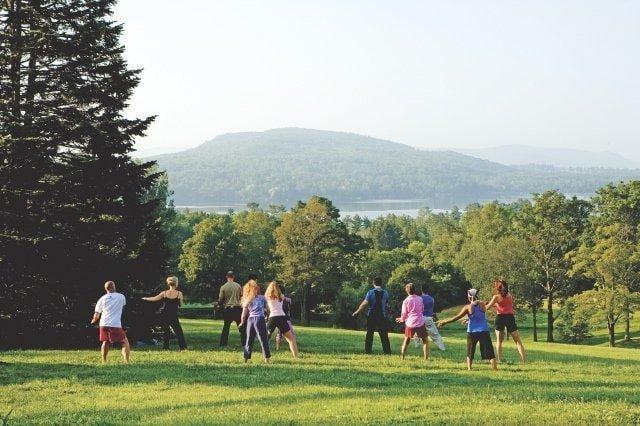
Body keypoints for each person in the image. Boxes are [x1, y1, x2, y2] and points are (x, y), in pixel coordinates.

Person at [437, 289, 497, 371]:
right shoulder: (482, 304)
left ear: (469, 297)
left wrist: (445, 322)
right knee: (489, 351)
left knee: (470, 350)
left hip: (472, 332)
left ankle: (469, 368)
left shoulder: (467, 307)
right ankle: (495, 368)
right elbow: (479, 314)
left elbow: (456, 317)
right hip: (484, 331)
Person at [486, 279, 526, 363]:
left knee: (499, 341)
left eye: (496, 285)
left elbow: (487, 307)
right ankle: (524, 361)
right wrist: (495, 305)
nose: (495, 286)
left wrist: (480, 304)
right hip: (510, 318)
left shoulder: (496, 297)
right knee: (518, 341)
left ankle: (500, 359)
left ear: (498, 287)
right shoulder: (509, 295)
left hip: (500, 318)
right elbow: (505, 305)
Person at [142, 276, 187, 350]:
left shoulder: (164, 293)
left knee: (166, 331)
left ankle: (166, 347)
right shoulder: (179, 293)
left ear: (168, 284)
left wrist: (146, 298)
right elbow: (181, 305)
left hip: (164, 314)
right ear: (176, 283)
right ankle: (183, 348)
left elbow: (154, 298)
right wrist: (178, 303)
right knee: (178, 331)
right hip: (173, 315)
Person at [91, 281, 130, 364]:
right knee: (124, 341)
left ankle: (104, 361)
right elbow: (123, 307)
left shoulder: (101, 299)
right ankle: (126, 362)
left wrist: (93, 321)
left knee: (105, 341)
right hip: (115, 324)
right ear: (114, 287)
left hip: (103, 324)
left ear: (106, 289)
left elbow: (96, 316)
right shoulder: (121, 296)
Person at [352, 277, 392, 354]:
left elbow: (364, 304)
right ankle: (387, 352)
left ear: (373, 283)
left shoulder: (370, 292)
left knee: (369, 334)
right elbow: (387, 305)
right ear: (381, 283)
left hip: (372, 315)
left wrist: (357, 312)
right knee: (384, 334)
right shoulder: (386, 293)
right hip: (382, 316)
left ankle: (368, 351)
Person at [239, 280, 271, 363]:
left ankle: (246, 358)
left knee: (249, 339)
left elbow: (244, 314)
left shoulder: (247, 299)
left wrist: (242, 322)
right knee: (263, 339)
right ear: (257, 289)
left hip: (250, 320)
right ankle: (267, 358)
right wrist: (267, 317)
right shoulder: (262, 298)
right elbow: (268, 310)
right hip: (260, 319)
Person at [264, 281, 299, 358]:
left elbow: (266, 307)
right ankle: (296, 357)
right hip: (282, 317)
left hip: (272, 318)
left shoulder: (267, 296)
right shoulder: (281, 296)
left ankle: (266, 358)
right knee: (291, 339)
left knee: (265, 339)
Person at [396, 283, 429, 361]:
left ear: (406, 291)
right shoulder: (420, 299)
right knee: (425, 341)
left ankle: (402, 358)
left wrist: (401, 319)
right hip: (420, 322)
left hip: (410, 323)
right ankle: (426, 359)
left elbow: (404, 313)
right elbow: (422, 309)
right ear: (415, 290)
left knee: (406, 340)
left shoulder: (406, 301)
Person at [217, 271, 246, 347]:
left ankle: (223, 344)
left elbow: (220, 299)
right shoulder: (238, 286)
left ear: (227, 277)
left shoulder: (223, 287)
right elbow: (241, 296)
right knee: (241, 327)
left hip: (228, 308)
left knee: (226, 327)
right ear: (233, 277)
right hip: (237, 308)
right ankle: (245, 343)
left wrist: (218, 303)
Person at [420, 285, 445, 351]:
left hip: (420, 318)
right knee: (435, 335)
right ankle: (442, 348)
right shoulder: (432, 299)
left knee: (417, 334)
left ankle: (416, 346)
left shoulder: (419, 298)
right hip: (428, 318)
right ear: (428, 290)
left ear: (421, 290)